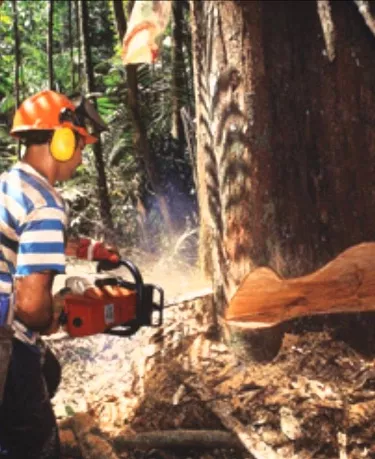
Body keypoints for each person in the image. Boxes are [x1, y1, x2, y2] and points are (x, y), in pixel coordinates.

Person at [0, 90, 119, 458]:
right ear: (63, 141)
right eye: (80, 146)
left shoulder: (11, 184)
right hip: (5, 334)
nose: (81, 159)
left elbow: (18, 236)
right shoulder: (47, 203)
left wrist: (87, 250)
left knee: (47, 372)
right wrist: (55, 315)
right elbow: (33, 306)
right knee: (36, 441)